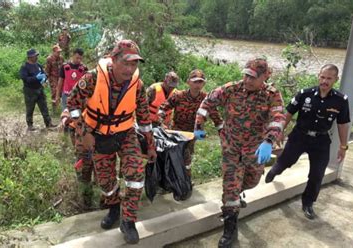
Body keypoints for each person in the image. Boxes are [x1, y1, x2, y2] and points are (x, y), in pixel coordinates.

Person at [67, 39, 157, 244]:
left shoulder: (137, 85)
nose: (130, 68)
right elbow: (72, 103)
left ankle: (128, 220)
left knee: (135, 175)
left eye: (134, 64)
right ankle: (114, 208)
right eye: (125, 63)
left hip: (126, 133)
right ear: (113, 59)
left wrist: (150, 145)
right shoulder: (92, 78)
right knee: (106, 181)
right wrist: (84, 132)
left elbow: (144, 119)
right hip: (98, 135)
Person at [195, 58, 285, 248]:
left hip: (255, 149)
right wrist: (199, 123)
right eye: (245, 75)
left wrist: (269, 141)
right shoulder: (231, 89)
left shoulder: (271, 94)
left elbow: (278, 117)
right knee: (230, 187)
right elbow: (207, 101)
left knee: (252, 181)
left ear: (264, 77)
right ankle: (230, 230)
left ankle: (238, 191)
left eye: (252, 77)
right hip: (231, 147)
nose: (247, 80)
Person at [265, 64, 350, 220]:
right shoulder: (305, 94)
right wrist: (279, 131)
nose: (325, 81)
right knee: (286, 161)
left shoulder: (341, 100)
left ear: (335, 79)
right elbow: (289, 113)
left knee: (317, 174)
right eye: (322, 77)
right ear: (318, 76)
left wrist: (343, 146)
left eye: (329, 78)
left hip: (322, 140)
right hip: (299, 136)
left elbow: (343, 124)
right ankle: (275, 170)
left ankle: (308, 203)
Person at [158, 69, 223, 179]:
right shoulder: (179, 96)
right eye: (195, 81)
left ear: (204, 83)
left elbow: (216, 117)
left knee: (187, 156)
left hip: (193, 133)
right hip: (177, 131)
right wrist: (161, 123)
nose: (197, 85)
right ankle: (174, 178)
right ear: (188, 82)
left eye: (200, 82)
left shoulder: (206, 99)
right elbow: (162, 110)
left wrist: (223, 133)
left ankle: (185, 180)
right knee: (175, 155)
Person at [19, 48, 56, 131]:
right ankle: (30, 125)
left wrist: (44, 79)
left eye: (36, 55)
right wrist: (35, 78)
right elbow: (25, 79)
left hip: (40, 89)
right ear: (30, 57)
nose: (37, 57)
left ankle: (48, 123)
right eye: (35, 56)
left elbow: (44, 73)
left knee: (44, 106)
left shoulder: (38, 65)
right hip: (30, 90)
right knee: (30, 108)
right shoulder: (25, 67)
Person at [45, 44, 64, 111]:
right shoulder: (49, 59)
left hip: (61, 78)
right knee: (54, 92)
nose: (59, 53)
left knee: (62, 92)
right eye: (57, 52)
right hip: (53, 78)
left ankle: (62, 108)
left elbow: (63, 67)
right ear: (53, 52)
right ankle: (54, 109)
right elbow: (47, 70)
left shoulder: (61, 58)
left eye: (59, 52)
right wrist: (45, 80)